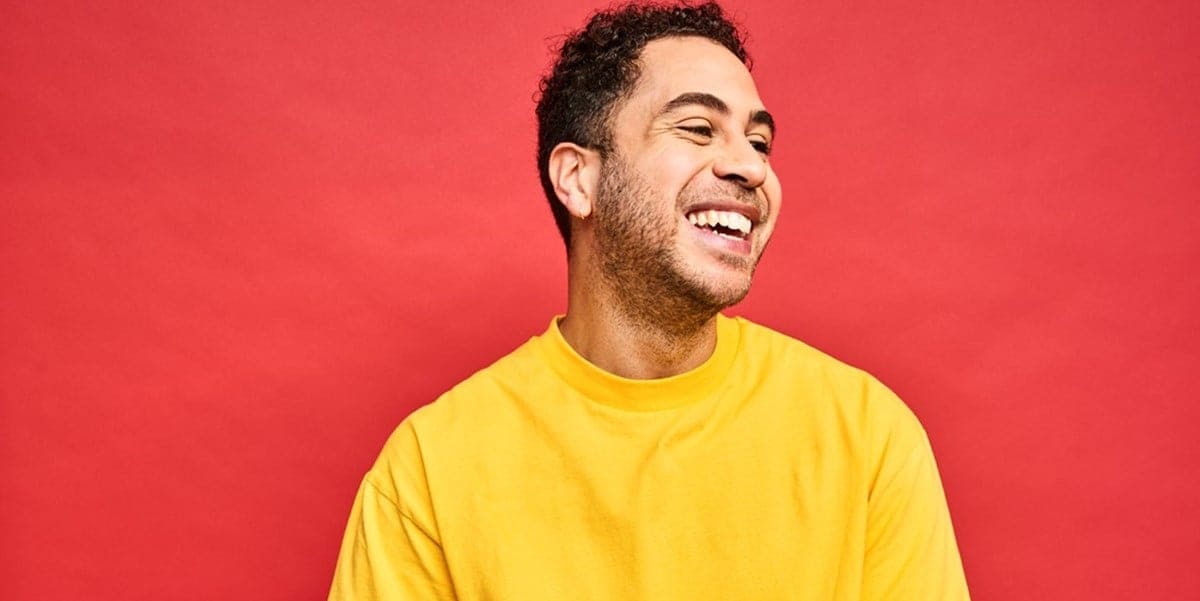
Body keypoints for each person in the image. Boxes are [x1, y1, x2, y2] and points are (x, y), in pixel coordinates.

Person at [328, 2, 970, 599]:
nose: (751, 167)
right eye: (698, 128)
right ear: (578, 179)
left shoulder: (867, 436)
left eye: (759, 142)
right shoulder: (431, 471)